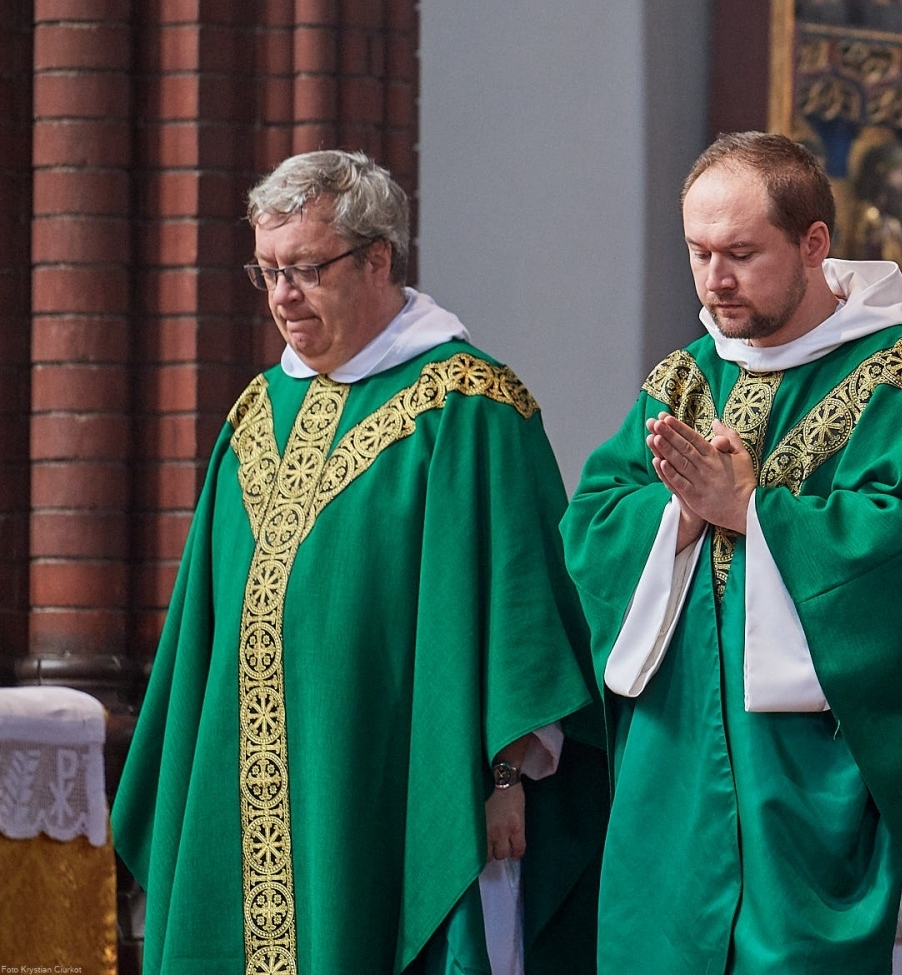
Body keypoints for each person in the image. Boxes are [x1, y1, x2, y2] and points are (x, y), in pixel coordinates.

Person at [113, 150, 606, 974]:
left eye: (306, 269)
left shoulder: (468, 406)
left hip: (392, 780)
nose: (282, 295)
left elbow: (520, 607)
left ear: (378, 258)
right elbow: (202, 629)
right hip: (244, 777)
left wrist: (506, 775)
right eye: (267, 271)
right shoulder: (255, 412)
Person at [561, 131, 902, 974]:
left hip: (822, 778)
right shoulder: (686, 377)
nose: (715, 279)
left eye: (742, 254)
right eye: (699, 252)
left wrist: (752, 510)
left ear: (814, 243)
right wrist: (677, 518)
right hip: (679, 768)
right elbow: (596, 519)